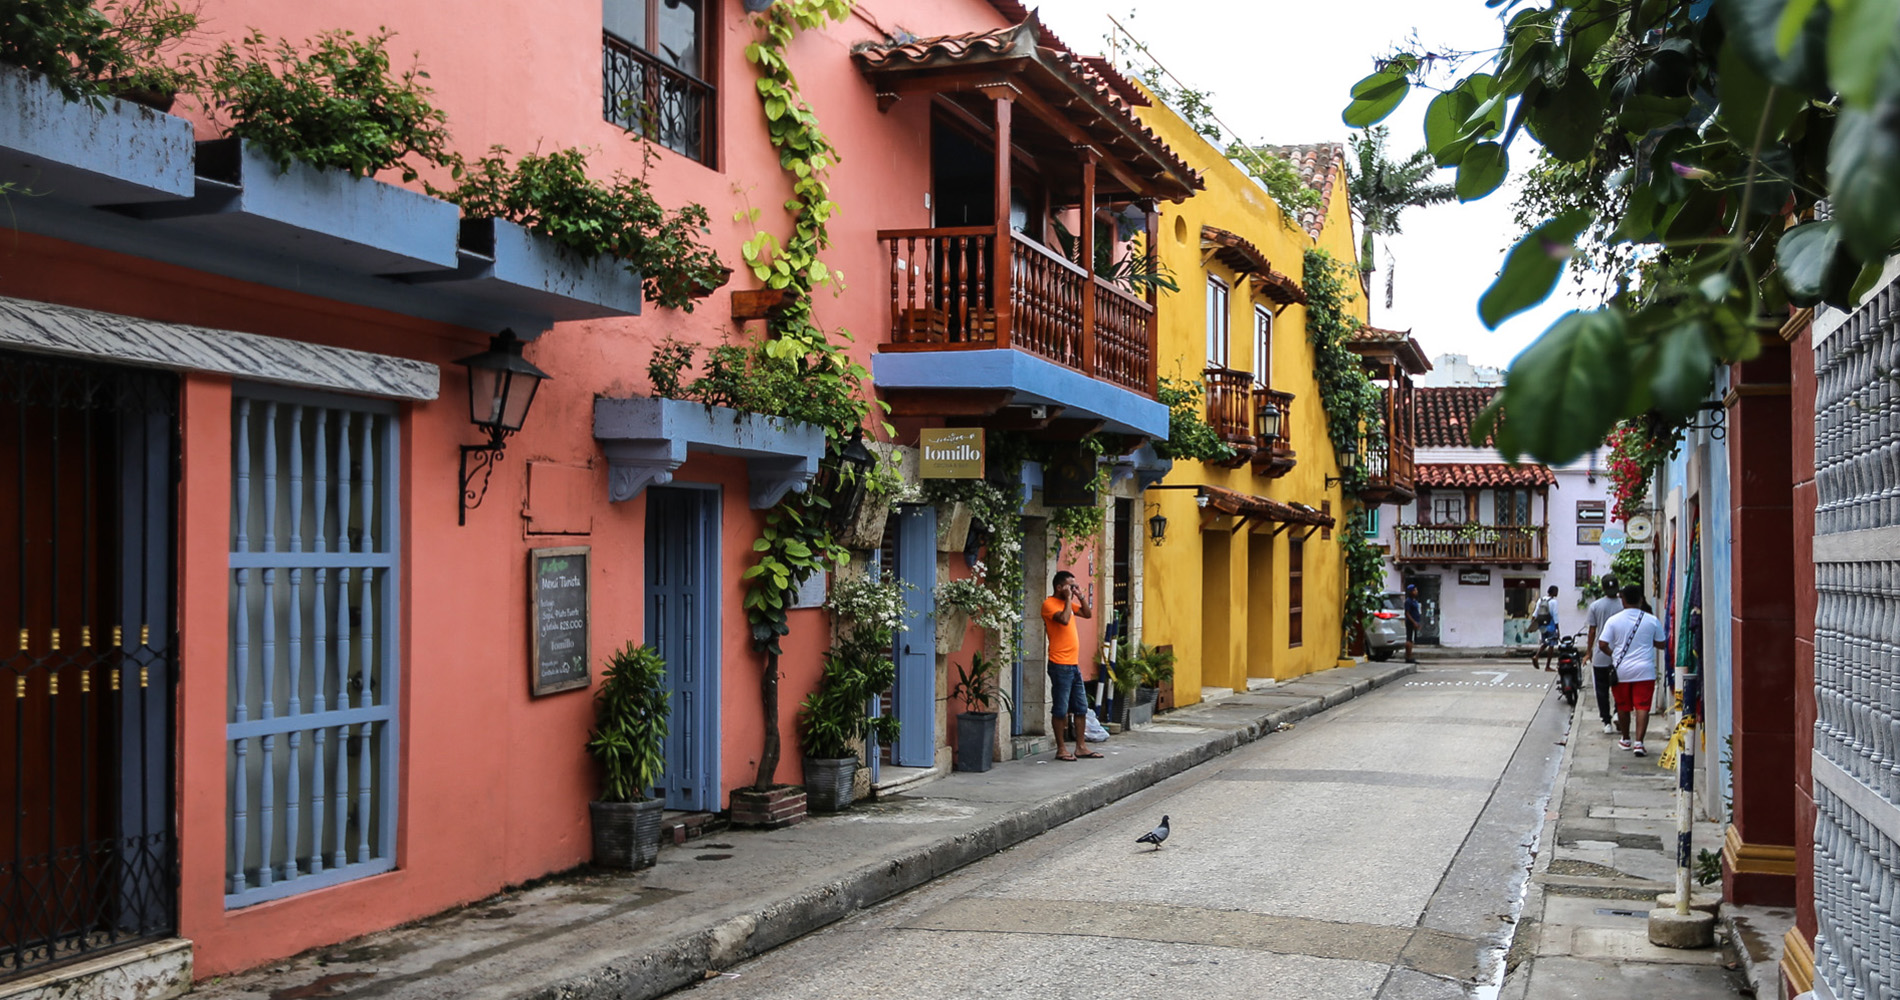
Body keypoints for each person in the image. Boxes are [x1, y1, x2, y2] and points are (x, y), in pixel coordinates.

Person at [1597, 584, 1667, 757]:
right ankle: (1639, 743)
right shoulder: (1651, 620)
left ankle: (1626, 738)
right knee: (1642, 706)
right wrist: (1646, 641)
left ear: (1623, 600)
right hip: (1645, 670)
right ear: (1641, 599)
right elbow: (1662, 644)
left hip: (1622, 670)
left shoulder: (1614, 620)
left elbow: (1602, 644)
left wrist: (1614, 654)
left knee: (1623, 705)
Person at [1041, 571, 1098, 762]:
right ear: (1059, 587)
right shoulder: (1049, 604)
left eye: (1074, 586)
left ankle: (1081, 747)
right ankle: (1061, 748)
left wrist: (1080, 596)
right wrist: (1067, 600)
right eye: (1069, 586)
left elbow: (1087, 614)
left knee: (1081, 707)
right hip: (1059, 665)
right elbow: (1064, 620)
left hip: (1073, 664)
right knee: (1061, 708)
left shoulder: (1068, 602)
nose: (1072, 589)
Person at [1584, 575, 1623, 735]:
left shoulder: (1595, 606)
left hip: (1601, 654)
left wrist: (1588, 652)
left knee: (1601, 689)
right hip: (1620, 653)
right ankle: (1617, 713)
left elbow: (1592, 631)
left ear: (1602, 588)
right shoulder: (1624, 604)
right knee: (1620, 687)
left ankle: (1606, 722)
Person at [1531, 585, 1561, 671]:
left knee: (1545, 642)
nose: (1557, 593)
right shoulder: (1554, 602)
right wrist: (1558, 629)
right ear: (1553, 592)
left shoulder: (1541, 599)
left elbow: (1535, 612)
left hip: (1542, 625)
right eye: (1556, 591)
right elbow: (1555, 615)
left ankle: (1536, 656)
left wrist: (1533, 624)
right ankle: (1547, 666)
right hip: (1551, 625)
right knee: (1551, 645)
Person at [1403, 584, 1422, 665]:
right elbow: (1407, 613)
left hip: (1415, 622)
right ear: (1411, 592)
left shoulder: (1414, 601)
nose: (1416, 592)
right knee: (1409, 639)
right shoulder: (1408, 601)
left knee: (1412, 640)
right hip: (1410, 622)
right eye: (1414, 590)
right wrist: (1413, 622)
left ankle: (1409, 656)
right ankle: (1408, 657)